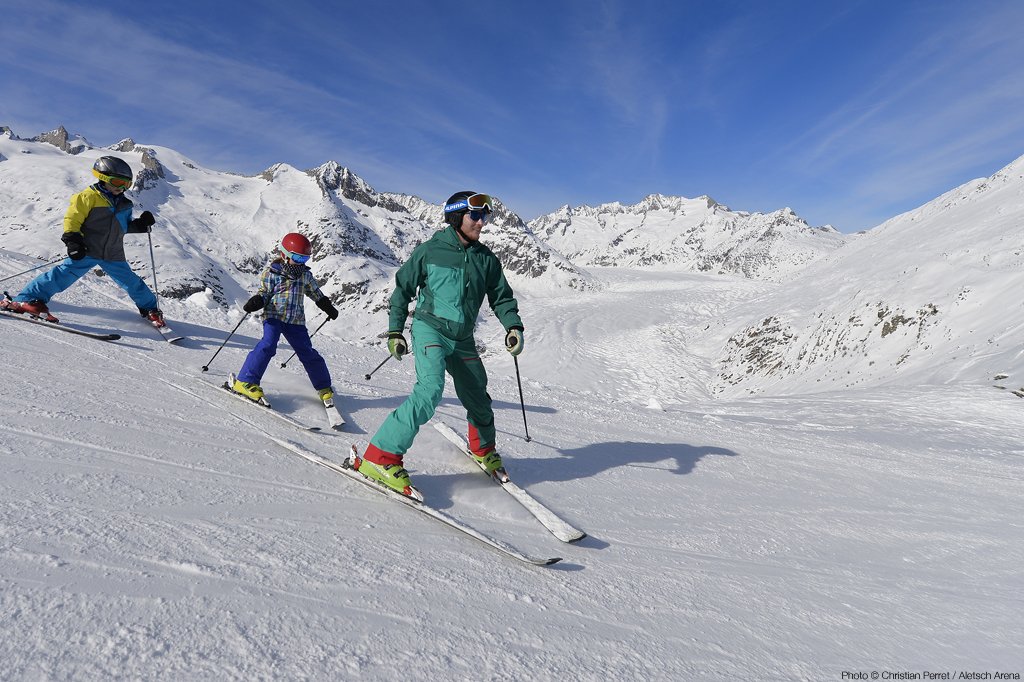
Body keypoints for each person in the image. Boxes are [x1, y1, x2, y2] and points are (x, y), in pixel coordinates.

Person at [352, 191, 525, 499]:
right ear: (457, 216)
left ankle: (483, 449)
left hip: (462, 336)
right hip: (430, 328)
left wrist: (512, 325)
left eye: (485, 217)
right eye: (476, 216)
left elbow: (502, 296)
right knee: (430, 390)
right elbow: (402, 290)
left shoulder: (486, 259)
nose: (482, 223)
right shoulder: (430, 252)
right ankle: (380, 456)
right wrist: (395, 332)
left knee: (478, 396)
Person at [0, 156, 163, 326]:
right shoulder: (87, 197)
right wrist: (73, 241)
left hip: (113, 253)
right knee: (61, 276)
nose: (121, 188)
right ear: (103, 178)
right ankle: (27, 300)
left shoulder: (125, 204)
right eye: (117, 182)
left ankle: (150, 308)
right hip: (87, 250)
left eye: (126, 184)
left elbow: (123, 226)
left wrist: (141, 224)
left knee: (132, 282)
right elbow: (73, 219)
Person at [232, 232, 338, 404]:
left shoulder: (305, 275)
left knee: (307, 352)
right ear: (284, 255)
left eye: (305, 259)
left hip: (295, 320)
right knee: (268, 345)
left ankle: (323, 386)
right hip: (274, 316)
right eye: (297, 257)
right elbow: (264, 293)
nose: (300, 263)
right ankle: (245, 381)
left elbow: (316, 294)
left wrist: (328, 307)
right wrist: (257, 301)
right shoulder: (272, 273)